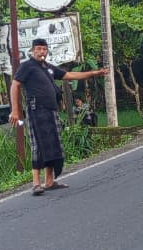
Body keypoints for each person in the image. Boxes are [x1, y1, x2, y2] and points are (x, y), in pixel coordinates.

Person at [10, 38, 108, 195]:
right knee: (39, 144)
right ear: (33, 51)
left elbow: (70, 75)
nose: (42, 52)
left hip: (51, 110)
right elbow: (15, 85)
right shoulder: (27, 66)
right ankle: (36, 183)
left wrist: (94, 73)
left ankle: (49, 181)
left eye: (44, 49)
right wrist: (15, 110)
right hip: (36, 110)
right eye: (39, 49)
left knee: (53, 143)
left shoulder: (48, 68)